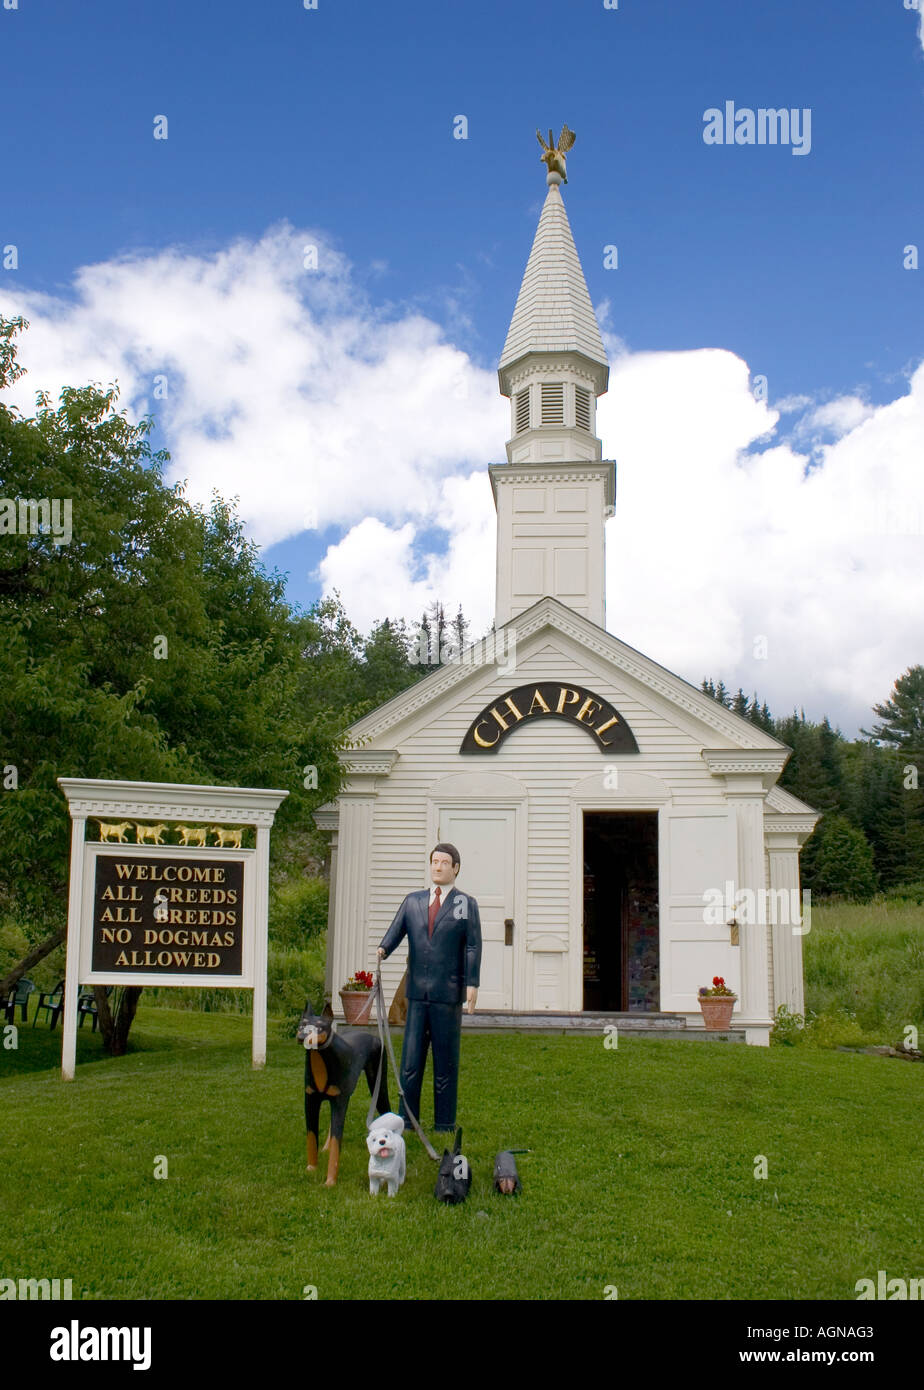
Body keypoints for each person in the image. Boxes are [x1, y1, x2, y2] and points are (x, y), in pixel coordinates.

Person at [377, 843, 481, 1134]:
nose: (438, 867)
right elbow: (397, 929)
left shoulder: (464, 904)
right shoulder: (413, 901)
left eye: (444, 862)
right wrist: (383, 948)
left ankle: (444, 1123)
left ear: (455, 868)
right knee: (411, 1061)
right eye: (434, 861)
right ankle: (407, 1120)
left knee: (445, 1062)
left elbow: (472, 945)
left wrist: (472, 982)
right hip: (417, 994)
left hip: (447, 995)